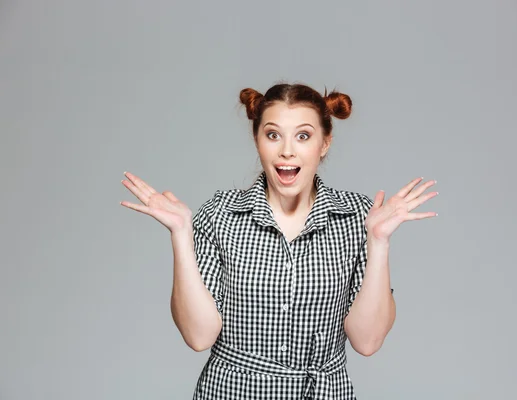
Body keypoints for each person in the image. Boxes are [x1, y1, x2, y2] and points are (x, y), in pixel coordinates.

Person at [120, 82, 438, 399]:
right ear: (257, 140)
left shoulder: (357, 218)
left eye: (303, 136)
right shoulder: (221, 214)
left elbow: (367, 342)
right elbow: (199, 337)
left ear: (324, 144)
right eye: (273, 135)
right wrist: (180, 233)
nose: (287, 150)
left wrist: (379, 242)